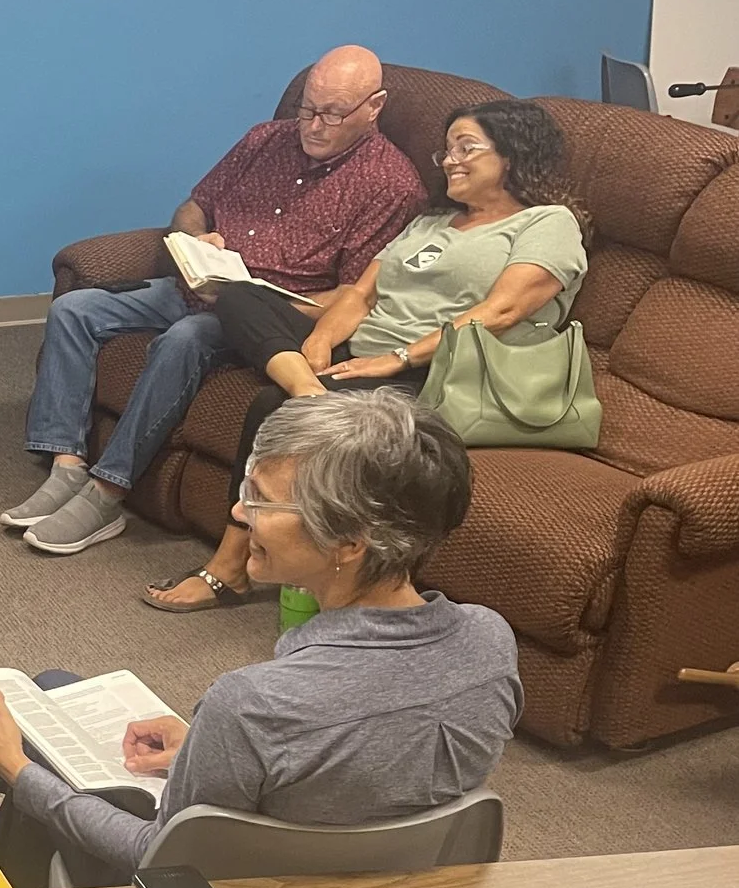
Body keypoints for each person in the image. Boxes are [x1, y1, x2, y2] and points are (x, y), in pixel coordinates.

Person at [0, 388, 519, 888]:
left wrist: (18, 772)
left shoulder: (252, 704)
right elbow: (373, 762)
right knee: (56, 688)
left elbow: (156, 860)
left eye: (262, 500)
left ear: (349, 542)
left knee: (31, 741)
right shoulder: (490, 645)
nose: (238, 511)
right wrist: (205, 749)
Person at [147, 99, 586, 611]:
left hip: (438, 371)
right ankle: (308, 390)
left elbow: (502, 311)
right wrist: (318, 341)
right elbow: (360, 294)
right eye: (446, 150)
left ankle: (228, 568)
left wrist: (398, 357)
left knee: (273, 406)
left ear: (513, 155)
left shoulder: (547, 223)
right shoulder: (431, 222)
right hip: (360, 350)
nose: (450, 160)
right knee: (239, 295)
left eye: (466, 148)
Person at [6, 46, 424, 557]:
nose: (313, 125)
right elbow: (193, 206)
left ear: (374, 107)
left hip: (266, 316)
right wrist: (196, 240)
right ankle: (66, 465)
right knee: (74, 309)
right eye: (307, 108)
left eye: (332, 114)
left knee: (185, 338)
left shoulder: (391, 185)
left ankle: (107, 492)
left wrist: (252, 301)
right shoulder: (263, 140)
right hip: (194, 284)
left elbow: (353, 295)